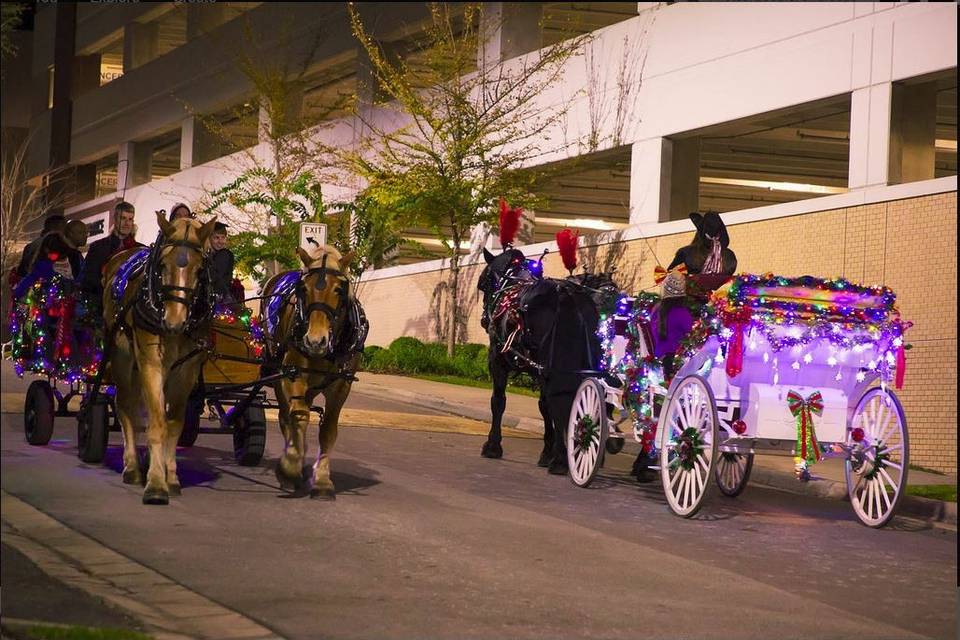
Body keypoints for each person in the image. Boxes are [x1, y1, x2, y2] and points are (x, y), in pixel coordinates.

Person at [79, 201, 142, 305]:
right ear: (115, 219)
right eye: (123, 218)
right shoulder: (98, 247)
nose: (127, 223)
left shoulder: (140, 249)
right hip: (101, 306)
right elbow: (88, 279)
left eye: (130, 219)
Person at [13, 220, 88, 299]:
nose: (85, 236)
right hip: (54, 301)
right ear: (70, 233)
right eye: (81, 233)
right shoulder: (56, 253)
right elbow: (38, 273)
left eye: (86, 232)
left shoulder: (76, 256)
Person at [14, 214, 66, 281]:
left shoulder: (31, 246)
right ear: (56, 228)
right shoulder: (56, 245)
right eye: (63, 228)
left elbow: (22, 271)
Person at [208, 222, 236, 303]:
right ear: (209, 238)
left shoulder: (224, 255)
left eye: (223, 237)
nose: (220, 241)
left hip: (218, 301)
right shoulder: (208, 255)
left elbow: (213, 277)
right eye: (216, 237)